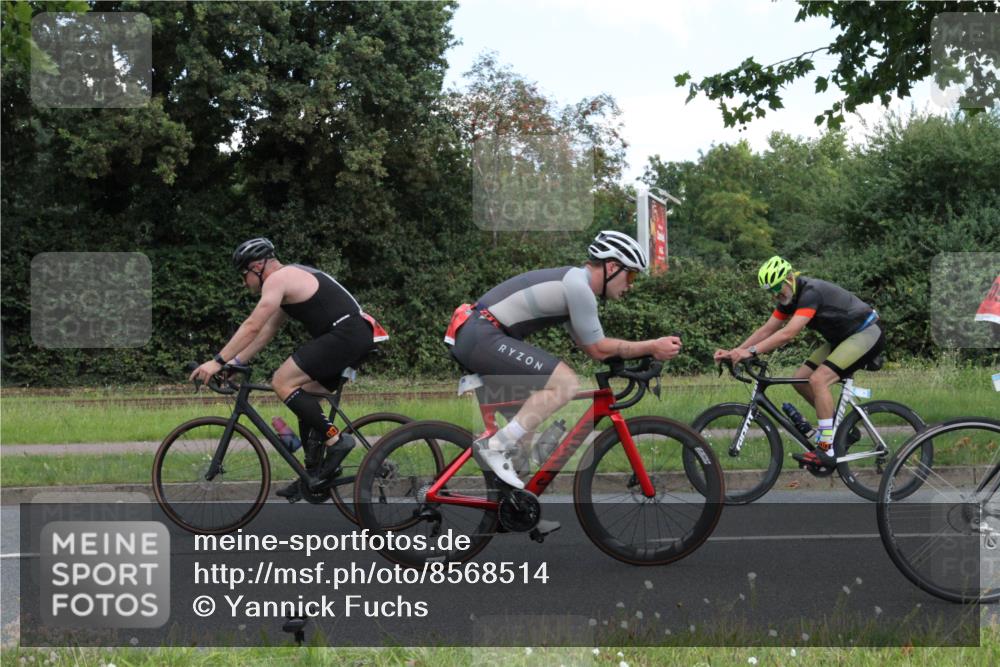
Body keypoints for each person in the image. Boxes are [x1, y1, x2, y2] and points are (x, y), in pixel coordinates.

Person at [444, 230, 683, 491]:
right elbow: (601, 349)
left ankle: (518, 506)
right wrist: (652, 346)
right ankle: (496, 448)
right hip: (482, 334)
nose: (631, 284)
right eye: (631, 274)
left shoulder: (574, 284)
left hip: (478, 334)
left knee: (527, 426)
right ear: (612, 267)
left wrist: (644, 352)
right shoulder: (579, 288)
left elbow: (592, 349)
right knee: (565, 383)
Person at [189, 238, 388, 500]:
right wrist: (235, 363)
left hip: (347, 334)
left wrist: (217, 361)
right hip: (352, 334)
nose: (244, 282)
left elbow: (252, 325)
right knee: (304, 395)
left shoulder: (278, 279)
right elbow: (266, 330)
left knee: (282, 382)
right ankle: (314, 474)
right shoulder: (289, 280)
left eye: (244, 274)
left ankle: (337, 441)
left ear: (258, 266)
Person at [714, 256, 884, 467]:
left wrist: (750, 352)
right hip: (842, 339)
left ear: (788, 278)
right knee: (800, 379)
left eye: (777, 287)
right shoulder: (789, 299)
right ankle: (838, 432)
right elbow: (767, 329)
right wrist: (735, 352)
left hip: (866, 332)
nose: (776, 294)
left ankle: (826, 448)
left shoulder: (810, 292)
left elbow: (789, 333)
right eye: (771, 291)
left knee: (818, 380)